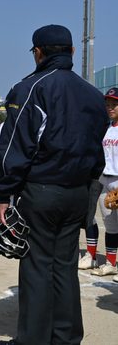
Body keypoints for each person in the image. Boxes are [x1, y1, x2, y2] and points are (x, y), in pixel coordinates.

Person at [0, 25, 107, 345]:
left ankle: (32, 340)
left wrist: (4, 193)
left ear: (39, 53)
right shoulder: (93, 95)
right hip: (77, 191)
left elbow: (15, 145)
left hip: (42, 190)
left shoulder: (31, 87)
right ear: (71, 52)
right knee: (64, 266)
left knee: (37, 266)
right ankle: (66, 338)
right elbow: (95, 147)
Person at [82, 88, 118, 278]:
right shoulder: (108, 128)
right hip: (105, 179)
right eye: (108, 105)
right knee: (110, 224)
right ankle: (111, 263)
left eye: (114, 104)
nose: (110, 108)